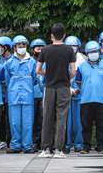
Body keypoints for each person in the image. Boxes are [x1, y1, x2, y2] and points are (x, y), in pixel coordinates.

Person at [37, 23, 76, 158]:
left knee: (47, 116)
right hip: (64, 87)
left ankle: (45, 149)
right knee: (61, 118)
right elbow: (73, 71)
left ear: (51, 35)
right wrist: (66, 77)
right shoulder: (69, 50)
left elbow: (38, 70)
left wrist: (47, 75)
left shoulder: (45, 50)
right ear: (64, 35)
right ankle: (58, 150)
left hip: (49, 87)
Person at [77, 41, 103, 153]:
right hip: (86, 100)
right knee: (86, 125)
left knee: (101, 125)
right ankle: (86, 146)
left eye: (95, 51)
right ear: (87, 53)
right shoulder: (81, 67)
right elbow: (79, 82)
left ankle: (101, 147)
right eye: (91, 52)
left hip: (102, 100)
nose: (94, 54)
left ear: (99, 52)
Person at [5, 35, 37, 153]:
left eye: (24, 45)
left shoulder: (32, 61)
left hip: (28, 96)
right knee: (14, 122)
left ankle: (27, 145)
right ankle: (15, 145)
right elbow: (7, 80)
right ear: (14, 47)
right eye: (19, 45)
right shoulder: (9, 62)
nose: (22, 47)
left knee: (28, 122)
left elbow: (34, 78)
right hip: (13, 96)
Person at [64, 35, 85, 153]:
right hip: (65, 94)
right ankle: (66, 144)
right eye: (69, 46)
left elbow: (86, 78)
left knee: (78, 121)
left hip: (79, 95)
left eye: (74, 46)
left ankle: (78, 144)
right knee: (66, 121)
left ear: (78, 47)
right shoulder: (62, 58)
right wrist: (69, 89)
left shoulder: (83, 60)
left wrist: (78, 89)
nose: (72, 48)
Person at [0, 35, 13, 149]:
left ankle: (10, 139)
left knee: (10, 117)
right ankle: (2, 139)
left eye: (0, 47)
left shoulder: (12, 60)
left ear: (6, 47)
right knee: (0, 118)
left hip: (10, 93)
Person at [30, 38, 46, 150]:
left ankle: (42, 141)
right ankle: (34, 142)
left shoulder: (48, 61)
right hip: (31, 95)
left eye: (42, 48)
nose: (39, 50)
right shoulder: (30, 61)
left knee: (43, 119)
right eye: (37, 48)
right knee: (33, 120)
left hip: (44, 94)